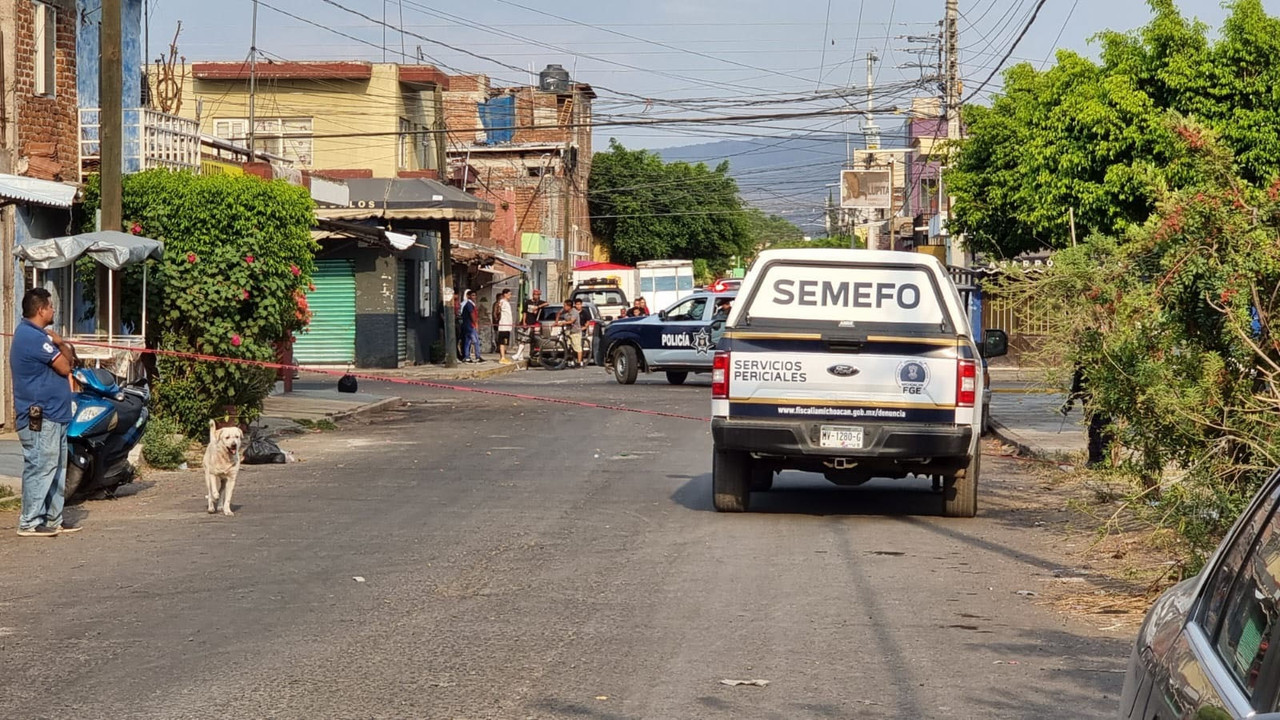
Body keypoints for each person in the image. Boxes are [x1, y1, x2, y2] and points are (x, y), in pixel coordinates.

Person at [12, 288, 80, 537]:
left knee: (57, 468)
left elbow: (69, 360)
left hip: (56, 414)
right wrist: (60, 344)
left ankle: (53, 519)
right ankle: (30, 521)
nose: (53, 310)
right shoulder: (32, 336)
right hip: (41, 416)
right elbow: (64, 367)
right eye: (51, 307)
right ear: (41, 310)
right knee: (41, 466)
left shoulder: (39, 336)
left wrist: (61, 344)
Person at [1060, 365, 1113, 468]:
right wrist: (1070, 400)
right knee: (1094, 426)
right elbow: (1078, 377)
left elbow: (1078, 378)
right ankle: (1096, 458)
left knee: (1100, 426)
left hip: (1101, 393)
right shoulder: (1084, 360)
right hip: (1089, 394)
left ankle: (1102, 458)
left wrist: (1071, 399)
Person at [556, 299, 584, 368]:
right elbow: (558, 313)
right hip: (568, 331)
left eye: (565, 305)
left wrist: (563, 322)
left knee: (577, 347)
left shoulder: (574, 312)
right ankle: (570, 360)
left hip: (575, 331)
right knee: (568, 345)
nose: (564, 307)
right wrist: (556, 321)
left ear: (569, 306)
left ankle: (579, 362)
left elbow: (571, 321)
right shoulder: (564, 310)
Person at [460, 290, 483, 363]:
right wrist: (475, 324)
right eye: (472, 295)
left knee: (468, 341)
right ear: (468, 296)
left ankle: (467, 356)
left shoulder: (472, 304)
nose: (474, 297)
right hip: (470, 325)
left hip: (467, 325)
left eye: (475, 295)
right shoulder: (469, 304)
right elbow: (472, 315)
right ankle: (477, 356)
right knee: (476, 341)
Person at [494, 288, 515, 365]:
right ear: (505, 294)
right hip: (503, 325)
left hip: (508, 325)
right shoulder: (502, 302)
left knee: (505, 342)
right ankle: (502, 357)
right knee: (502, 342)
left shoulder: (507, 302)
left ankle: (504, 357)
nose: (510, 296)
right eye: (509, 294)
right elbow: (498, 310)